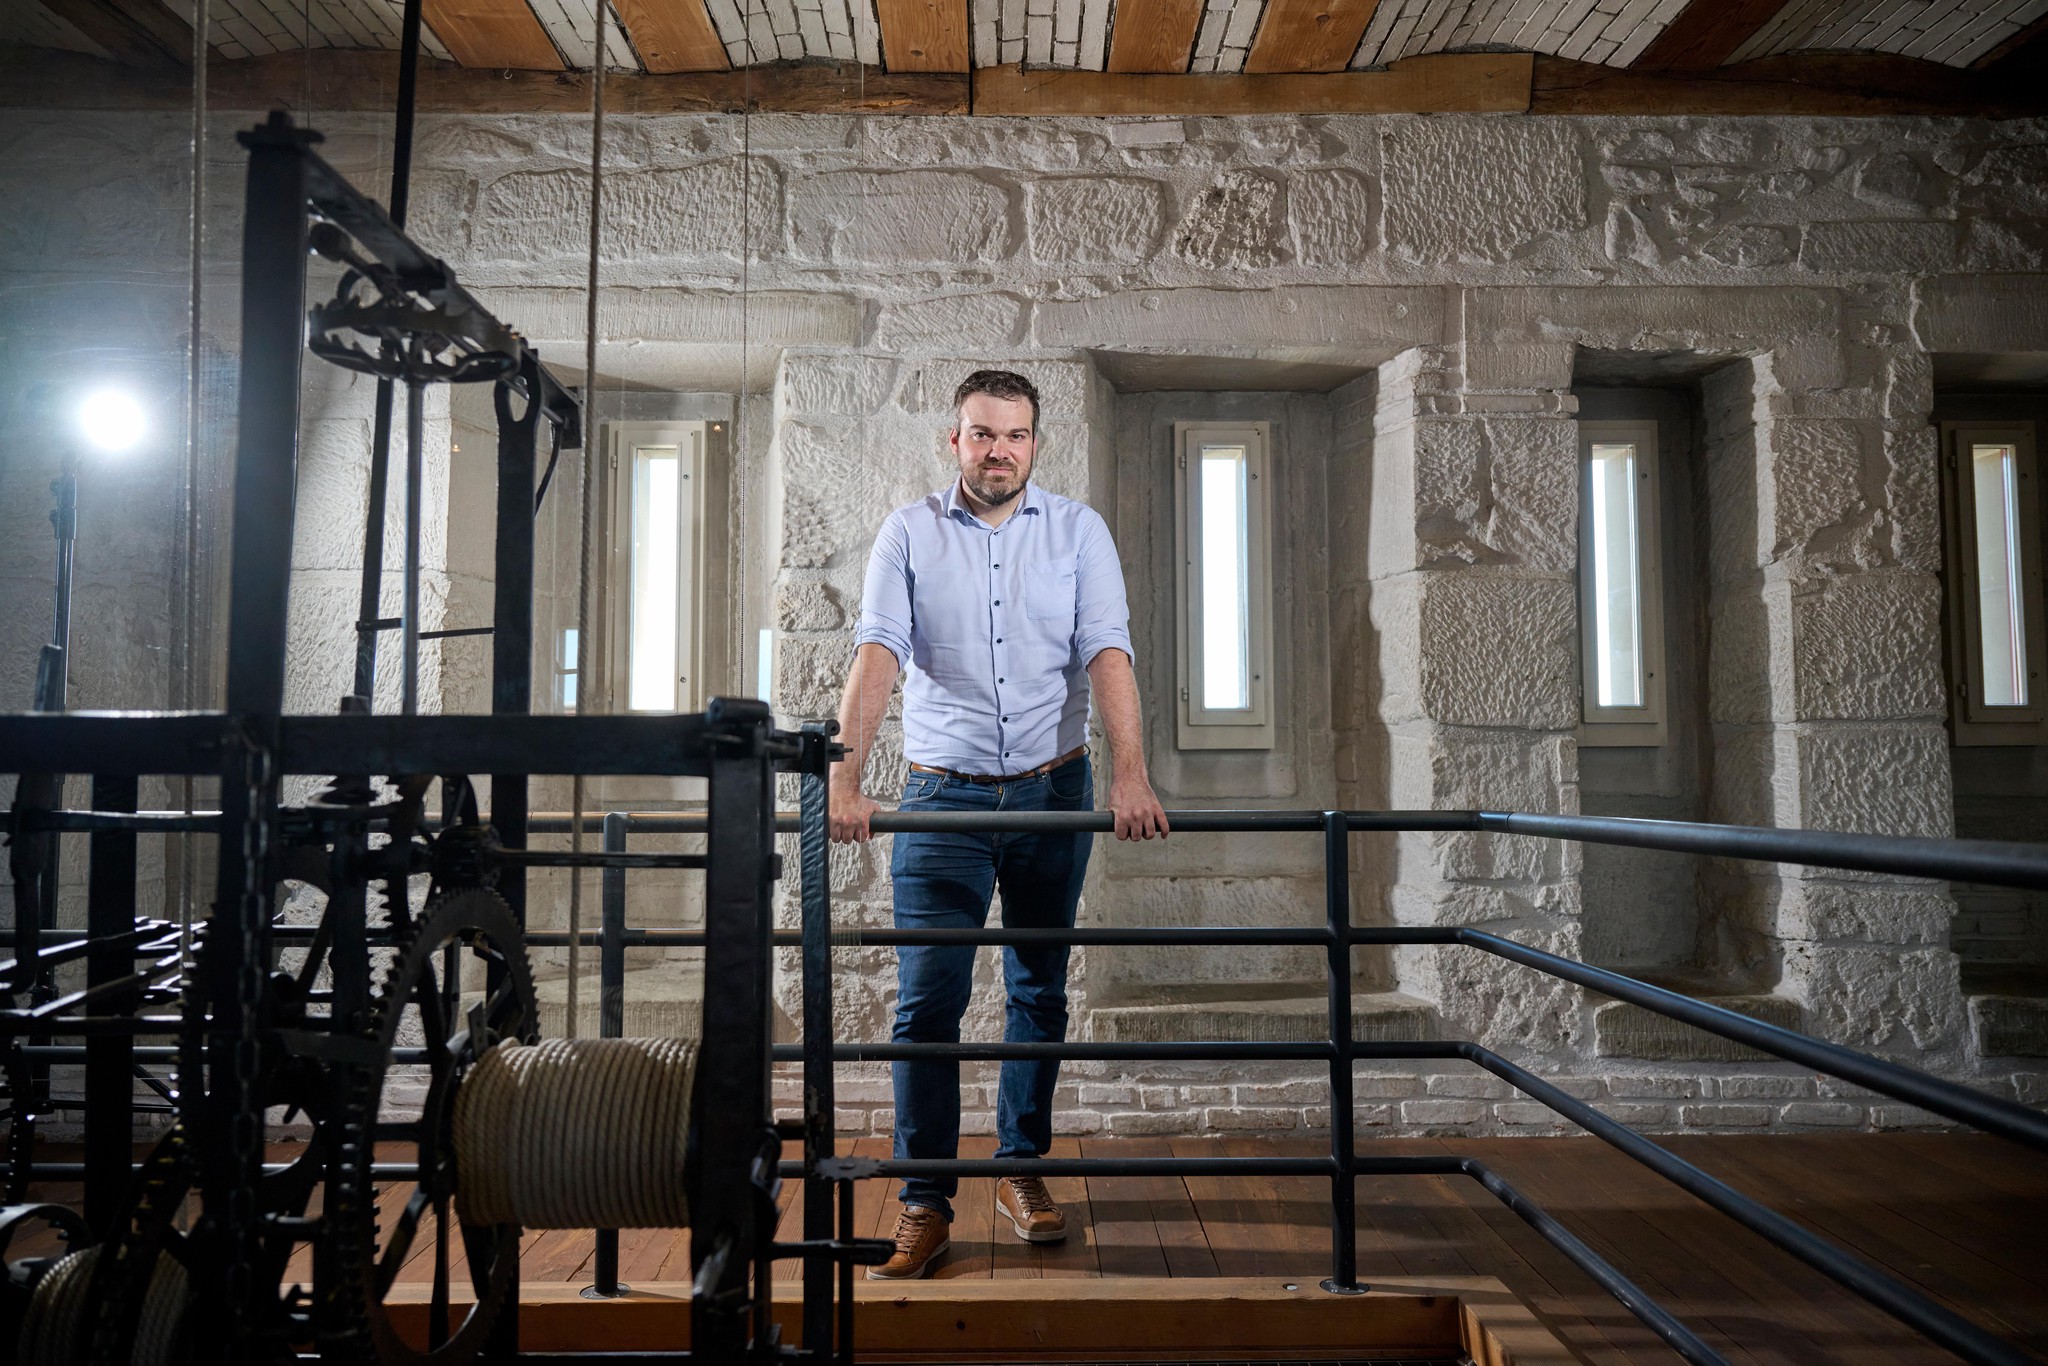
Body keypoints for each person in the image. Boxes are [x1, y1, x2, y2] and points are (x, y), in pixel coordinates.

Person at [829, 368, 1168, 1280]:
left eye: (1014, 436)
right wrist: (845, 776)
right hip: (942, 798)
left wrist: (1129, 778)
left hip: (1056, 794)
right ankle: (925, 1201)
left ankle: (1023, 1169)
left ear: (1034, 443)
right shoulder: (908, 532)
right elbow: (878, 654)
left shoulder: (1077, 532)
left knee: (1038, 989)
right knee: (927, 1004)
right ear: (955, 440)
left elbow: (1107, 651)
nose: (998, 451)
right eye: (982, 434)